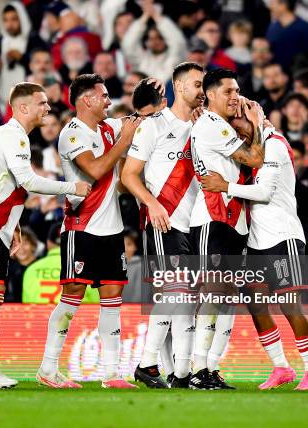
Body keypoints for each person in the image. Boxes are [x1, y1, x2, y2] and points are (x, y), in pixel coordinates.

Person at [0, 82, 90, 389]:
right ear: (23, 107)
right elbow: (29, 181)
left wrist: (12, 224)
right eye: (42, 103)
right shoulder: (12, 135)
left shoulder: (7, 136)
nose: (48, 108)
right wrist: (72, 188)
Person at [200, 116, 308, 391]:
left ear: (256, 119)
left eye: (241, 124)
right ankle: (281, 366)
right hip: (256, 241)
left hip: (282, 236)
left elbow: (265, 192)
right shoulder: (248, 153)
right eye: (232, 127)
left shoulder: (275, 144)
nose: (237, 130)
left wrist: (225, 186)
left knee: (289, 304)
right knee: (256, 304)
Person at [37, 74, 140, 389]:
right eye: (104, 96)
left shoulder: (109, 127)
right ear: (86, 100)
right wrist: (125, 140)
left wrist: (150, 101)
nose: (109, 101)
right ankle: (48, 368)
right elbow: (94, 170)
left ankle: (112, 374)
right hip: (82, 228)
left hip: (112, 230)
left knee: (112, 298)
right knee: (72, 297)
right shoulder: (72, 133)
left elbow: (138, 121)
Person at [122, 62, 205, 389]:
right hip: (164, 221)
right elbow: (129, 175)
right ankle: (147, 362)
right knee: (174, 294)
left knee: (187, 302)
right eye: (197, 85)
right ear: (179, 86)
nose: (201, 91)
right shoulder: (153, 126)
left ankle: (182, 373)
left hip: (197, 224)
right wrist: (152, 203)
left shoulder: (206, 126)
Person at [189, 69, 264, 390]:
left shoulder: (221, 125)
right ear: (210, 95)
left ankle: (210, 367)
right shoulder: (210, 124)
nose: (235, 97)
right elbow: (255, 158)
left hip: (233, 217)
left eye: (238, 91)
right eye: (229, 91)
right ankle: (196, 369)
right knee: (213, 291)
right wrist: (258, 122)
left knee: (227, 294)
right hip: (213, 214)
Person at [120, 0, 186, 82]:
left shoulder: (174, 59)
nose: (155, 41)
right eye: (151, 38)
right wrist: (145, 16)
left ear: (166, 40)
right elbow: (128, 45)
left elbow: (178, 43)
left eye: (159, 38)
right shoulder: (141, 59)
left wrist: (156, 16)